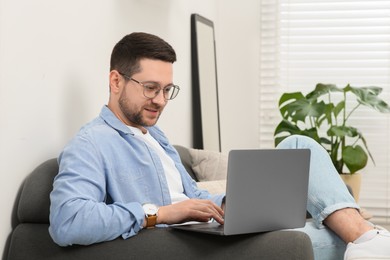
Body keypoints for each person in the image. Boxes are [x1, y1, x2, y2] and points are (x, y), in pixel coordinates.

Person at [49, 32, 390, 260]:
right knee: (332, 238)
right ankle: (370, 241)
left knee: (298, 143)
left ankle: (367, 238)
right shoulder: (91, 143)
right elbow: (68, 221)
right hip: (189, 247)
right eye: (151, 87)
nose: (160, 100)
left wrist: (230, 202)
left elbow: (190, 198)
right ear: (115, 81)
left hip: (211, 231)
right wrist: (160, 213)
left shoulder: (155, 137)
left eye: (168, 90)